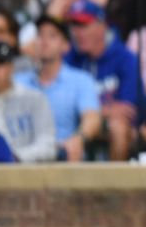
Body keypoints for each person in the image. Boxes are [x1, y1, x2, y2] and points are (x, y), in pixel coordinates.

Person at [14, 16, 101, 161]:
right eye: (40, 35)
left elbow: (92, 118)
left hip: (62, 155)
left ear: (66, 45)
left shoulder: (80, 80)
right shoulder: (18, 80)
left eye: (52, 36)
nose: (44, 41)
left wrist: (79, 139)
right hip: (22, 158)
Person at [65, 0, 142, 161]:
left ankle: (116, 184)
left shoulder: (126, 59)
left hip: (113, 128)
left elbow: (126, 111)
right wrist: (104, 110)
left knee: (118, 126)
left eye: (84, 25)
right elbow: (62, 103)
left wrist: (93, 112)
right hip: (77, 123)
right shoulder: (69, 58)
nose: (77, 33)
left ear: (102, 26)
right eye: (74, 26)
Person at [0, 40, 56, 162]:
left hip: (26, 175)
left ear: (11, 68)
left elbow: (48, 147)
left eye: (0, 63)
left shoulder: (33, 99)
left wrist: (9, 157)